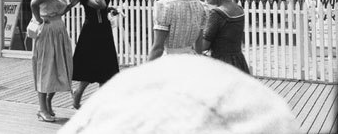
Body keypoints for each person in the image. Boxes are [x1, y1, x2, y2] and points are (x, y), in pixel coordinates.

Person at [58, 54, 300, 134]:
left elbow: (158, 43)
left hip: (169, 70)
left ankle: (77, 97)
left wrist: (148, 67)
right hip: (201, 68)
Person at [30, 0, 80, 122]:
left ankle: (48, 103)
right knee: (46, 67)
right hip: (49, 31)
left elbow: (58, 11)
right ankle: (42, 108)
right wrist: (39, 20)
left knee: (60, 66)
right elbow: (34, 3)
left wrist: (71, 5)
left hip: (58, 30)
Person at [72, 0, 119, 109]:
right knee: (89, 67)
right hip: (91, 32)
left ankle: (101, 104)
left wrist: (111, 9)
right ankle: (78, 93)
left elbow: (105, 6)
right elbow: (99, 4)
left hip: (104, 30)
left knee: (106, 68)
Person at [202, 0, 250, 73]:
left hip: (221, 65)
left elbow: (203, 45)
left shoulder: (217, 13)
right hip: (239, 63)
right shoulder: (239, 8)